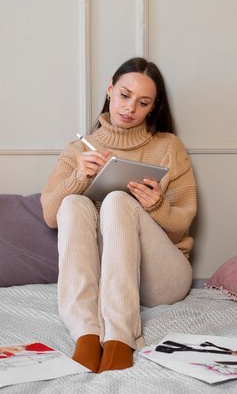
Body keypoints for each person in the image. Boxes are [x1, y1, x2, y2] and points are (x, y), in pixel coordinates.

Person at [41, 57, 197, 373]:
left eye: (143, 103)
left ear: (152, 108)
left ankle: (120, 339)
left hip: (162, 279)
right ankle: (86, 334)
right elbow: (51, 216)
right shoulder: (77, 150)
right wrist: (79, 179)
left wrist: (156, 206)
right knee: (72, 204)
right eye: (125, 95)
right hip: (105, 276)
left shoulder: (169, 146)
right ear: (110, 90)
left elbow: (182, 225)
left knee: (117, 200)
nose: (129, 108)